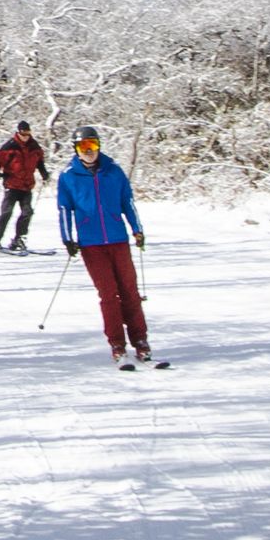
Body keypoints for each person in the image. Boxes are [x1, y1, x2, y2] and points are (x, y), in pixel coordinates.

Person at [55, 124, 157, 369]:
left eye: (93, 145)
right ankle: (117, 344)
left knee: (130, 291)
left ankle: (140, 340)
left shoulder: (114, 172)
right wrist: (68, 238)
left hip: (118, 240)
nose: (89, 151)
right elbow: (64, 209)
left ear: (99, 146)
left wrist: (137, 229)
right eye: (84, 146)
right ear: (76, 149)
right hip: (92, 244)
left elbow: (127, 202)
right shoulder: (68, 176)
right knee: (108, 294)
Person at [0, 120, 48, 252]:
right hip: (12, 185)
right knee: (6, 213)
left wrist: (44, 173)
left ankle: (19, 240)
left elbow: (39, 162)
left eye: (28, 133)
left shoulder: (34, 146)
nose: (25, 136)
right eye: (23, 133)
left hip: (26, 186)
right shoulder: (10, 145)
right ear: (18, 133)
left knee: (27, 212)